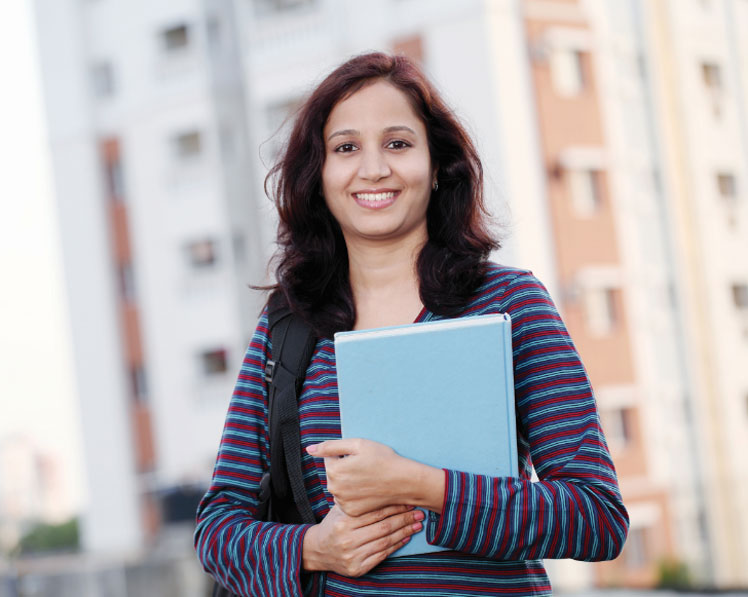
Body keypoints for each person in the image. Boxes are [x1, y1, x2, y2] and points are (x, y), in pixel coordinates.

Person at [195, 52, 628, 596]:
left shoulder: (508, 302)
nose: (373, 169)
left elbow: (597, 517)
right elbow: (217, 530)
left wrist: (424, 487)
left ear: (438, 167)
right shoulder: (288, 324)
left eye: (398, 144)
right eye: (346, 147)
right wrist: (313, 549)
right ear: (319, 175)